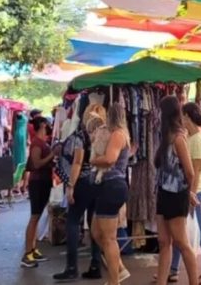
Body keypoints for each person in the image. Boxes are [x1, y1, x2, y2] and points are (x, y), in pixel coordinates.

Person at [53, 109, 106, 282]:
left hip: (82, 182)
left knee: (73, 221)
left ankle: (71, 267)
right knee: (94, 225)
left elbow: (77, 162)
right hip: (98, 182)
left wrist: (70, 186)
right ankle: (95, 265)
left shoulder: (80, 137)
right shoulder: (104, 135)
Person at [169, 102, 201, 284]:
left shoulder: (198, 139)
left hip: (196, 189)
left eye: (182, 115)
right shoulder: (191, 136)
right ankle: (172, 269)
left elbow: (195, 172)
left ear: (187, 116)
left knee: (197, 229)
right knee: (182, 231)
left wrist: (192, 194)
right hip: (191, 189)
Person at [155, 96, 198, 285]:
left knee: (182, 242)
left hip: (176, 194)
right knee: (164, 241)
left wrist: (188, 192)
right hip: (164, 192)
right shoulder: (165, 136)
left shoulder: (179, 138)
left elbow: (189, 172)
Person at [90, 103, 132, 285]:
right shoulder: (121, 134)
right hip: (109, 185)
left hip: (112, 185)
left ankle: (114, 280)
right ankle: (119, 269)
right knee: (97, 233)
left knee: (108, 238)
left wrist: (93, 160)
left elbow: (109, 159)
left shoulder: (117, 135)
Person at [21, 115, 61, 268]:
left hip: (43, 182)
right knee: (34, 217)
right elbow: (36, 163)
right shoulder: (37, 143)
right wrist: (52, 154)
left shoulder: (41, 142)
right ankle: (27, 254)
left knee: (36, 217)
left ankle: (32, 249)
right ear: (43, 125)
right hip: (38, 182)